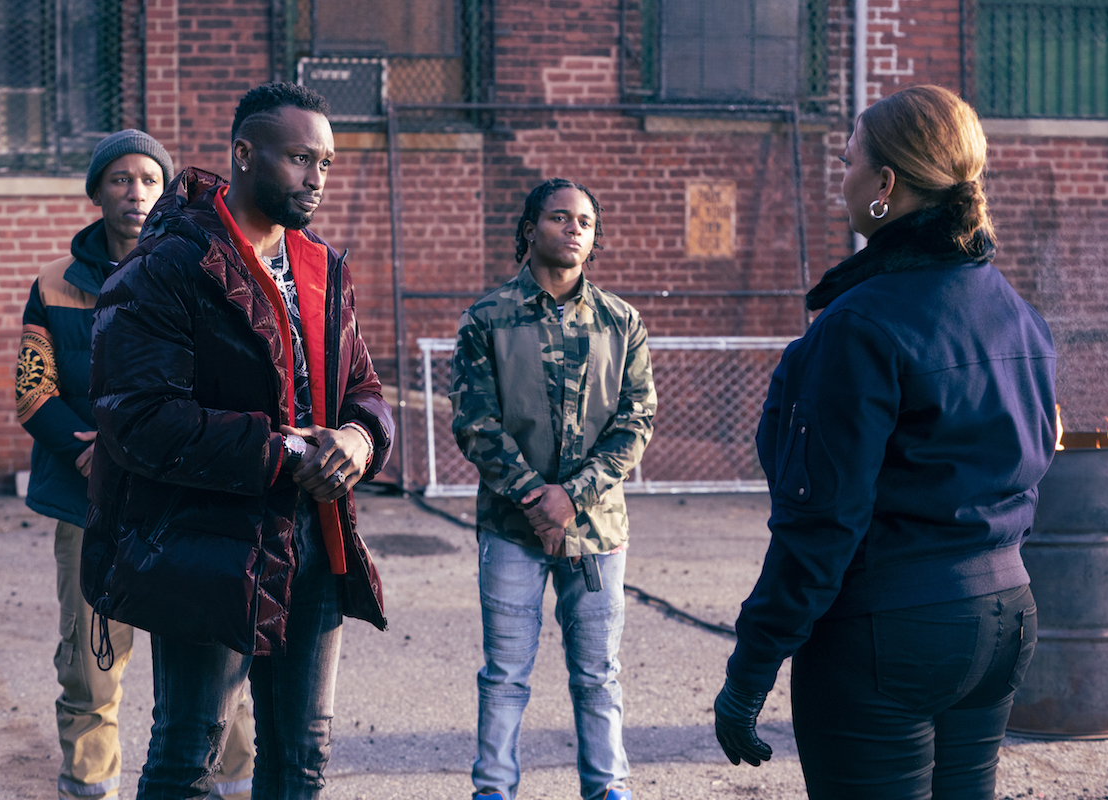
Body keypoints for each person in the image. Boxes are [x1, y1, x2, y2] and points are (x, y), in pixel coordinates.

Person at [713, 85, 1057, 799]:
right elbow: (1034, 459)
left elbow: (822, 522)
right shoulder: (1013, 310)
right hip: (1005, 614)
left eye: (847, 162)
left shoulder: (860, 326)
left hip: (888, 629)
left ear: (885, 185)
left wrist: (750, 671)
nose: (840, 179)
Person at [80, 82, 393, 799]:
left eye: (327, 162)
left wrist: (358, 438)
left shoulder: (323, 268)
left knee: (302, 760)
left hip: (314, 540)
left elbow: (366, 389)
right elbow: (138, 418)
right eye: (300, 158)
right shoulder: (169, 265)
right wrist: (288, 452)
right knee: (191, 756)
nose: (316, 177)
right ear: (245, 154)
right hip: (205, 543)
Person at [14, 129, 257, 800]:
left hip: (184, 501)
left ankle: (233, 785)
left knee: (215, 667)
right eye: (120, 179)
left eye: (149, 179)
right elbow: (32, 389)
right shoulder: (54, 285)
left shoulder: (201, 270)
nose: (136, 192)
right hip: (89, 502)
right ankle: (91, 787)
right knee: (91, 668)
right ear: (97, 193)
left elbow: (224, 381)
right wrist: (92, 451)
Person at [450, 178, 656, 800]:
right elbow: (474, 421)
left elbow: (636, 420)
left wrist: (574, 497)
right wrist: (537, 499)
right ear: (530, 227)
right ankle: (493, 789)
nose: (573, 229)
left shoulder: (622, 323)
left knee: (598, 675)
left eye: (585, 221)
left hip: (597, 532)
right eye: (560, 217)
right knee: (505, 675)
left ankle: (608, 788)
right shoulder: (487, 319)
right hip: (513, 529)